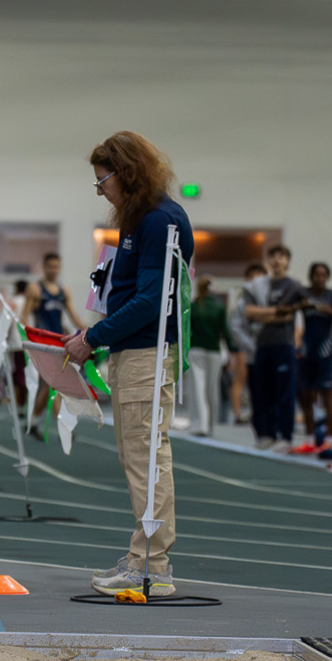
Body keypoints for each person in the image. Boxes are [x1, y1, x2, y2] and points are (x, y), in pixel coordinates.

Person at [64, 132, 195, 598]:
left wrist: (92, 338)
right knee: (139, 457)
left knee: (146, 458)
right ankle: (146, 558)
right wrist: (95, 340)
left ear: (126, 174)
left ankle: (151, 566)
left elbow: (151, 301)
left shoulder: (160, 221)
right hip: (132, 352)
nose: (101, 192)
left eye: (103, 183)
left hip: (147, 353)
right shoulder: (141, 220)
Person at [243, 245, 300, 450]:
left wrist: (265, 314)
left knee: (284, 393)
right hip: (262, 344)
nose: (277, 260)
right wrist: (276, 312)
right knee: (262, 392)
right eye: (273, 256)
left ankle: (285, 436)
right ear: (268, 261)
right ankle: (266, 434)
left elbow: (291, 313)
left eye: (281, 257)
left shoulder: (293, 286)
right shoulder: (259, 286)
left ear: (287, 261)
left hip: (283, 344)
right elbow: (249, 312)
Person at [292, 262, 332, 451]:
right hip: (307, 349)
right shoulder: (302, 294)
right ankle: (310, 438)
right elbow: (283, 308)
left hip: (326, 350)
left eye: (323, 275)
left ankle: (329, 438)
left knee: (327, 393)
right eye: (316, 275)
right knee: (306, 394)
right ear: (311, 276)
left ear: (327, 277)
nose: (320, 278)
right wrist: (300, 306)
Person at [184, 276, 227, 436]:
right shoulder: (218, 307)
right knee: (212, 388)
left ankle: (199, 423)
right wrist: (233, 349)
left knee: (197, 388)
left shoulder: (194, 306)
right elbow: (225, 331)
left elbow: (186, 331)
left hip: (196, 350)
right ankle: (210, 425)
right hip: (214, 351)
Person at [225, 262, 262, 425]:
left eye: (259, 278)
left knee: (260, 383)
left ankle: (258, 413)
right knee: (240, 378)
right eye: (252, 277)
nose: (255, 281)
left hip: (263, 346)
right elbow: (235, 326)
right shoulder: (242, 299)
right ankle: (238, 413)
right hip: (245, 347)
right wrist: (246, 346)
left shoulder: (264, 298)